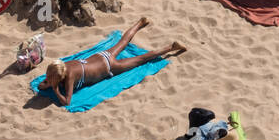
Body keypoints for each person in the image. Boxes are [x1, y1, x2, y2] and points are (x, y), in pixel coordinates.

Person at [42, 18, 186, 105]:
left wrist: (55, 89)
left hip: (109, 66)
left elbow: (67, 101)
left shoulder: (70, 77)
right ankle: (140, 22)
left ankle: (171, 47)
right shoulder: (62, 65)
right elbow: (46, 82)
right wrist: (49, 81)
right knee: (123, 41)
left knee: (142, 59)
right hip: (101, 55)